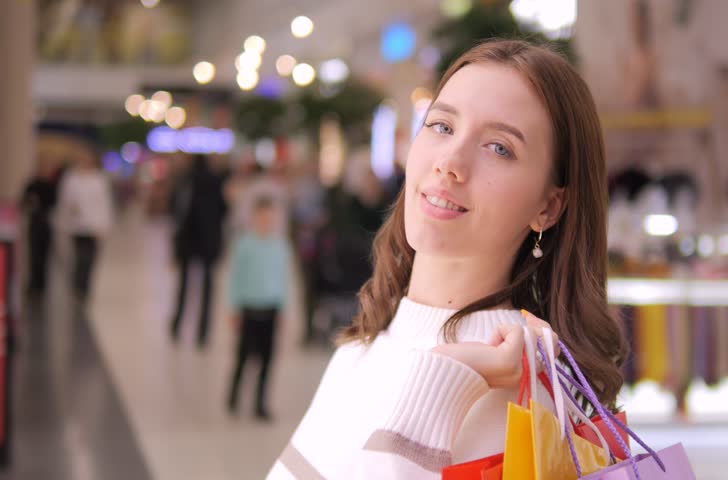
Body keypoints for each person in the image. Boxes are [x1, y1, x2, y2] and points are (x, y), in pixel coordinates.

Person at [265, 39, 628, 479]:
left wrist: (444, 382)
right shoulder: (371, 337)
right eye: (441, 126)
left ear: (548, 207)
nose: (450, 162)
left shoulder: (513, 386)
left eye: (499, 147)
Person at [227, 195, 289, 421]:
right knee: (243, 357)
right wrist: (233, 306)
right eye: (262, 217)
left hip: (270, 308)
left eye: (270, 218)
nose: (267, 222)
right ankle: (234, 394)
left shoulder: (280, 245)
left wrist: (283, 308)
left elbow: (283, 279)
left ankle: (260, 402)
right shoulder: (245, 244)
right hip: (249, 308)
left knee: (267, 359)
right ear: (254, 218)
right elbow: (235, 278)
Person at [170, 154, 229, 348]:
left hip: (189, 241)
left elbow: (179, 212)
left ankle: (177, 325)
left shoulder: (187, 182)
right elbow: (224, 211)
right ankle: (203, 332)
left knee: (184, 286)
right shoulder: (216, 183)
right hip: (209, 242)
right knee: (208, 288)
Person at [54, 153, 113, 301]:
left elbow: (104, 203)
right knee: (79, 257)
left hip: (93, 226)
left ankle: (85, 286)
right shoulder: (71, 179)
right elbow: (64, 201)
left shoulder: (99, 179)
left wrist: (104, 225)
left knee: (89, 257)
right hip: (77, 225)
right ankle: (77, 286)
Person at [20, 160, 60, 297]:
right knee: (34, 254)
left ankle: (42, 284)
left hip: (46, 223)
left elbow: (55, 202)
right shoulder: (32, 185)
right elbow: (23, 202)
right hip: (34, 222)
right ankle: (34, 283)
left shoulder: (51, 185)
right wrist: (31, 202)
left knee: (45, 254)